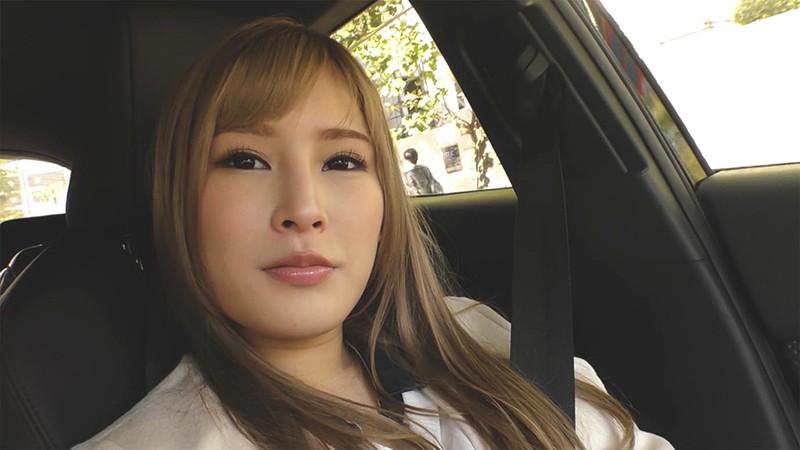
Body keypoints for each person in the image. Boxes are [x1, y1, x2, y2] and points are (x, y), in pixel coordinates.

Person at [76, 18, 672, 449]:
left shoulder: (473, 334)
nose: (304, 210)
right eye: (245, 160)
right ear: (178, 202)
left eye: (342, 161)